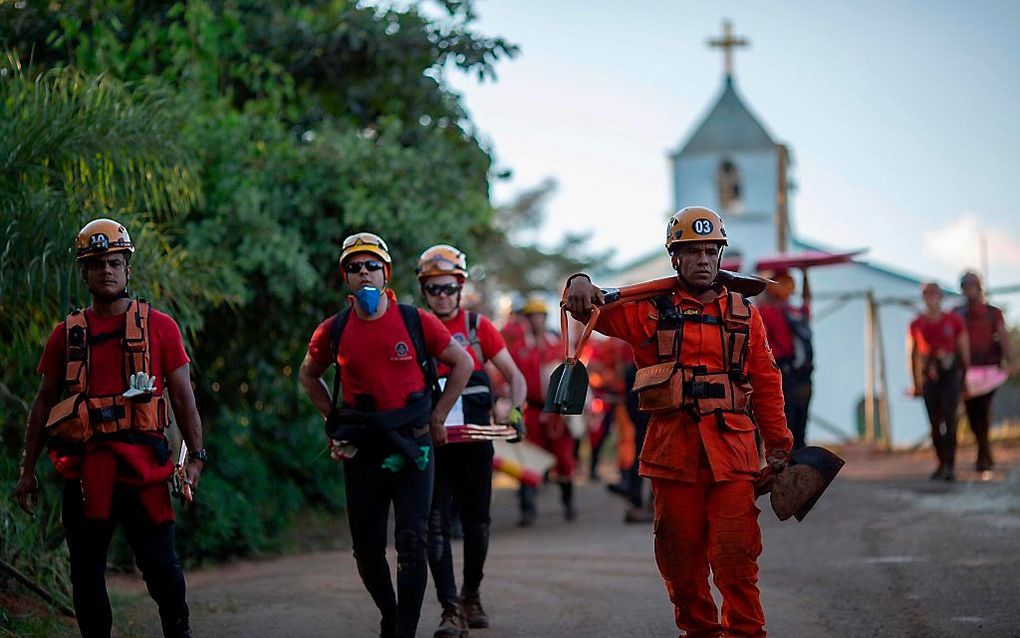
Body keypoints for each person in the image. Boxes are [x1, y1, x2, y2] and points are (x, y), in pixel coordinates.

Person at [563, 206, 793, 638]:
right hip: (673, 460)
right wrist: (578, 283)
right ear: (675, 258)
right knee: (682, 569)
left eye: (711, 251)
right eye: (693, 252)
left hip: (733, 460)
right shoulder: (647, 311)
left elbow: (766, 382)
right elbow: (587, 308)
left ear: (721, 256)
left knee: (736, 563)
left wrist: (780, 447)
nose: (704, 260)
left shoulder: (746, 316)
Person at [13, 218, 205, 638]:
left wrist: (196, 457)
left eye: (115, 262)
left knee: (162, 567)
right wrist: (27, 472)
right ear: (85, 272)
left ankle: (179, 629)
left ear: (128, 268)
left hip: (145, 468)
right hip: (87, 471)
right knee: (86, 572)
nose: (107, 271)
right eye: (97, 264)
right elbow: (43, 403)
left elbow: (183, 397)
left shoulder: (161, 327)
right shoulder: (66, 335)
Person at [299, 232, 473, 638]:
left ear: (386, 273)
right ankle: (390, 615)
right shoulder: (334, 330)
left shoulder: (416, 321)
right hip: (363, 450)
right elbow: (308, 375)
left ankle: (404, 631)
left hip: (414, 448)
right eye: (354, 267)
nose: (364, 273)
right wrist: (333, 419)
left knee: (412, 543)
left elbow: (462, 363)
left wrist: (438, 416)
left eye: (371, 265)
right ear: (346, 277)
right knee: (367, 550)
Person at [415, 244, 527, 636]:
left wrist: (514, 410)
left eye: (448, 288)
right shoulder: (415, 328)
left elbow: (515, 376)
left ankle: (470, 596)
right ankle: (449, 609)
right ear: (424, 290)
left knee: (478, 524)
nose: (441, 296)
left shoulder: (479, 328)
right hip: (434, 444)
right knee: (434, 524)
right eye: (434, 289)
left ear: (460, 287)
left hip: (476, 444)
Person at [503, 295, 577, 525]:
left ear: (545, 318)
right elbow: (508, 379)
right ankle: (527, 508)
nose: (536, 320)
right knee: (528, 459)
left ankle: (568, 503)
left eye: (539, 316)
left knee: (564, 459)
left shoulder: (559, 345)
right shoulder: (518, 349)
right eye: (531, 316)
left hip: (558, 411)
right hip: (532, 410)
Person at [909, 282, 970, 481]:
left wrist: (965, 377)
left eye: (935, 294)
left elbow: (963, 349)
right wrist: (916, 382)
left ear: (940, 297)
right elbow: (913, 353)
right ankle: (940, 462)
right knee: (934, 423)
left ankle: (950, 464)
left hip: (950, 375)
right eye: (927, 294)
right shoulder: (917, 324)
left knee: (951, 420)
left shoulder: (954, 321)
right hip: (929, 376)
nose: (931, 298)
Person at [954, 271, 1011, 472]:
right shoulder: (957, 314)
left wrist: (1008, 359)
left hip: (989, 369)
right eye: (966, 286)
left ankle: (984, 452)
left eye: (973, 286)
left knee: (984, 410)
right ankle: (983, 449)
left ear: (979, 288)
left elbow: (1002, 335)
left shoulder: (992, 313)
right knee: (972, 413)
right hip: (967, 372)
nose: (970, 290)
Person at [756, 269, 813, 450]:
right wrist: (805, 274)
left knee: (784, 427)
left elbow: (760, 302)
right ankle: (800, 467)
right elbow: (807, 302)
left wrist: (762, 279)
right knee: (800, 429)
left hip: (783, 376)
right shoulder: (796, 312)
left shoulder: (768, 312)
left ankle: (788, 469)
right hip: (804, 378)